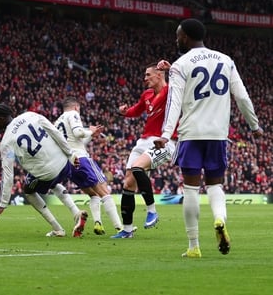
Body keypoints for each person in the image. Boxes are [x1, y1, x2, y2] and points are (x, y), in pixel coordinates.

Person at [154, 18, 263, 258]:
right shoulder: (226, 60)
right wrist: (254, 125)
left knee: (191, 190)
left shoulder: (180, 65)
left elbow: (173, 103)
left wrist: (164, 133)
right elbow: (242, 97)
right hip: (218, 135)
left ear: (185, 37)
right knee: (216, 185)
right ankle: (219, 219)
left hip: (192, 133)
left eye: (177, 35)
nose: (176, 39)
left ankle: (194, 246)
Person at [0, 103, 88, 238]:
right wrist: (70, 154)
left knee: (29, 191)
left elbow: (8, 175)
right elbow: (55, 132)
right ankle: (76, 213)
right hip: (64, 163)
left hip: (47, 172)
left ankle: (57, 228)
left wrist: (2, 204)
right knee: (52, 183)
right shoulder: (30, 115)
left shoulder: (6, 142)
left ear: (0, 118)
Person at [111, 64, 173, 239]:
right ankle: (127, 230)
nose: (145, 78)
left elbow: (183, 79)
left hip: (162, 142)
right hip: (143, 141)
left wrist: (170, 68)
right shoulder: (146, 95)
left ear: (159, 75)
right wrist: (124, 112)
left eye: (148, 75)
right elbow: (136, 110)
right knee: (128, 184)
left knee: (138, 168)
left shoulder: (172, 91)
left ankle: (152, 211)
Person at [54, 97, 122, 235]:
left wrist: (91, 135)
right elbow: (79, 133)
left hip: (68, 163)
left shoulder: (57, 122)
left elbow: (75, 141)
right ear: (76, 107)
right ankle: (120, 227)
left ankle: (98, 223)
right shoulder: (73, 114)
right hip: (82, 159)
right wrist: (90, 130)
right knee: (104, 191)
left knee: (93, 194)